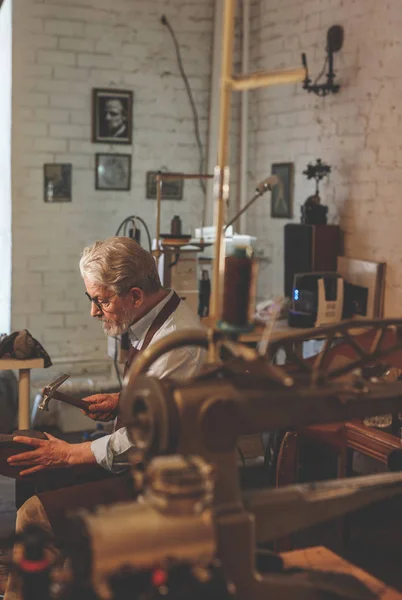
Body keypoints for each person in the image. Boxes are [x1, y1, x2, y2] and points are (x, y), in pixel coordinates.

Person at [4, 237, 206, 599]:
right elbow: (162, 397)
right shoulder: (154, 322)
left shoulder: (177, 343)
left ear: (135, 296)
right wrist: (121, 400)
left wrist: (69, 453)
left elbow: (147, 436)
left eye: (101, 300)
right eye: (92, 299)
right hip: (139, 464)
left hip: (159, 484)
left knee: (34, 514)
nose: (94, 312)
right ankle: (64, 580)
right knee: (33, 472)